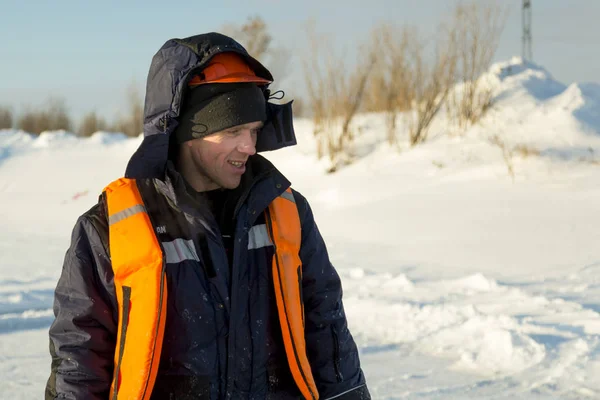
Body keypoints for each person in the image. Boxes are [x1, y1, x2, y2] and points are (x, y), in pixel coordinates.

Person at [45, 32, 370, 400]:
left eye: (254, 130)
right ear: (186, 131)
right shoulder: (110, 227)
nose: (249, 147)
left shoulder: (285, 211)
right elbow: (79, 356)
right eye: (233, 131)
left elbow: (327, 331)